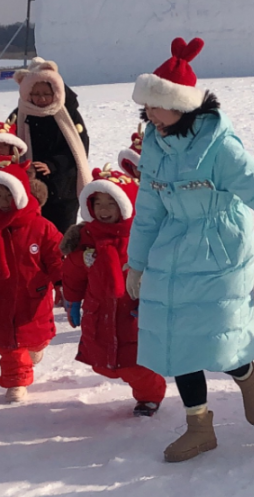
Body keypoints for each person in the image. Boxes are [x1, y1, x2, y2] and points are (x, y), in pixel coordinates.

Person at [127, 36, 254, 463]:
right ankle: (199, 427)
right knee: (177, 340)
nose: (150, 116)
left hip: (220, 247)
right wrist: (136, 264)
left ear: (182, 106)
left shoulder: (221, 148)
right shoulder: (155, 145)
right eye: (147, 109)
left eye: (157, 107)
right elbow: (147, 211)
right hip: (172, 246)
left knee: (217, 336)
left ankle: (246, 372)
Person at [61, 167, 166, 417]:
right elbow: (74, 272)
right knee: (104, 362)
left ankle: (149, 396)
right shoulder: (86, 238)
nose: (104, 210)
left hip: (134, 312)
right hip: (100, 311)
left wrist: (155, 302)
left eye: (112, 203)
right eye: (98, 203)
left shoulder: (141, 238)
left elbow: (161, 273)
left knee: (136, 364)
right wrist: (72, 299)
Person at [0, 161, 63, 404]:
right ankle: (16, 380)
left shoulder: (40, 226)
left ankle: (34, 348)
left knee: (34, 336)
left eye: (9, 195)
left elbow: (56, 257)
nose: (4, 201)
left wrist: (61, 283)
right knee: (8, 343)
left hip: (33, 296)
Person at [10, 58, 91, 233]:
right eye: (36, 94)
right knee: (34, 235)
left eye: (46, 93)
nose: (41, 99)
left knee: (60, 235)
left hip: (63, 188)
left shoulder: (68, 114)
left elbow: (78, 149)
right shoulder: (20, 114)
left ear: (56, 91)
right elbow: (8, 143)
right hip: (30, 187)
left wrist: (52, 165)